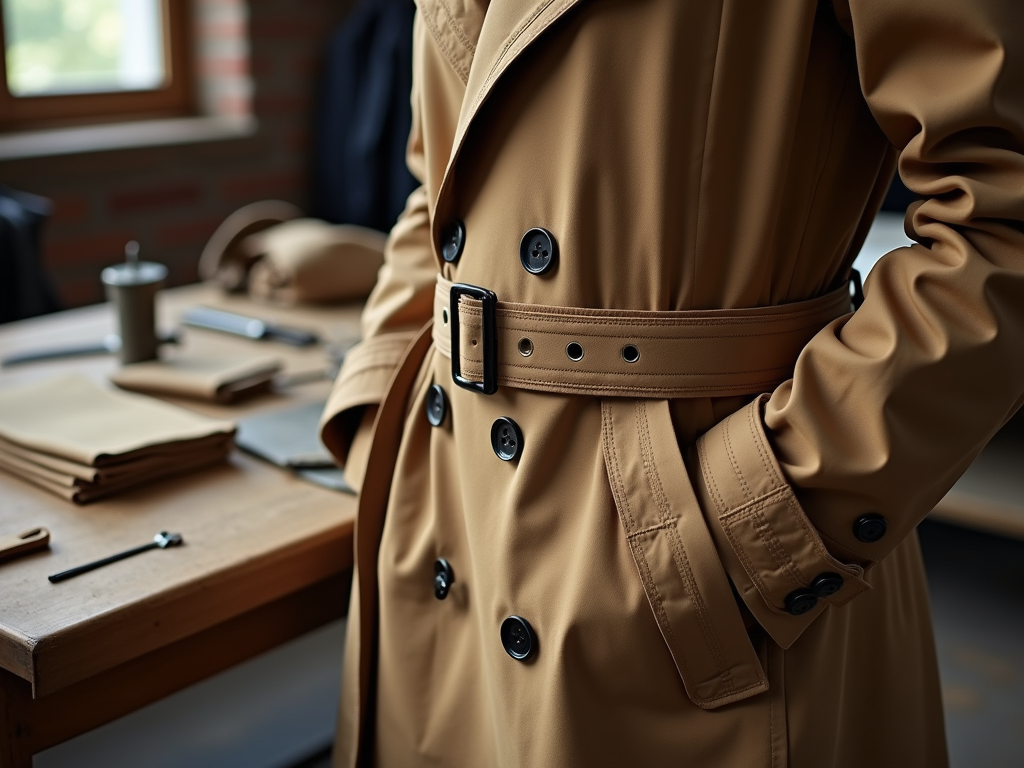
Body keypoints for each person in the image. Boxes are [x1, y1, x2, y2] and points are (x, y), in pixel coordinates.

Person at [321, 0, 1024, 765]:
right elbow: (440, 185)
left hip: (691, 550)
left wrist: (764, 524)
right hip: (447, 501)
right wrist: (378, 401)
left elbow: (999, 219)